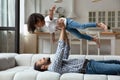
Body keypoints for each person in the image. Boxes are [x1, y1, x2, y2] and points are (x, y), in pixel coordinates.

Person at [34, 20, 120, 75]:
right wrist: (63, 29)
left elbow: (66, 50)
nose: (43, 58)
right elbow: (60, 48)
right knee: (117, 68)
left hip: (89, 63)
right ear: (43, 67)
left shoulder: (58, 64)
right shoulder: (53, 68)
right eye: (41, 60)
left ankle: (94, 38)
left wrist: (65, 33)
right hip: (88, 67)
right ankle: (98, 27)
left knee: (115, 62)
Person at [27, 5, 108, 47]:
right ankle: (94, 39)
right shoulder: (46, 27)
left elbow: (51, 16)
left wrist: (51, 10)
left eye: (37, 24)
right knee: (79, 36)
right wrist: (53, 40)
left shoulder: (47, 19)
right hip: (66, 27)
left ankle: (99, 24)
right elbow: (52, 32)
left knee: (82, 26)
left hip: (68, 22)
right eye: (36, 26)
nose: (38, 26)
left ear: (39, 20)